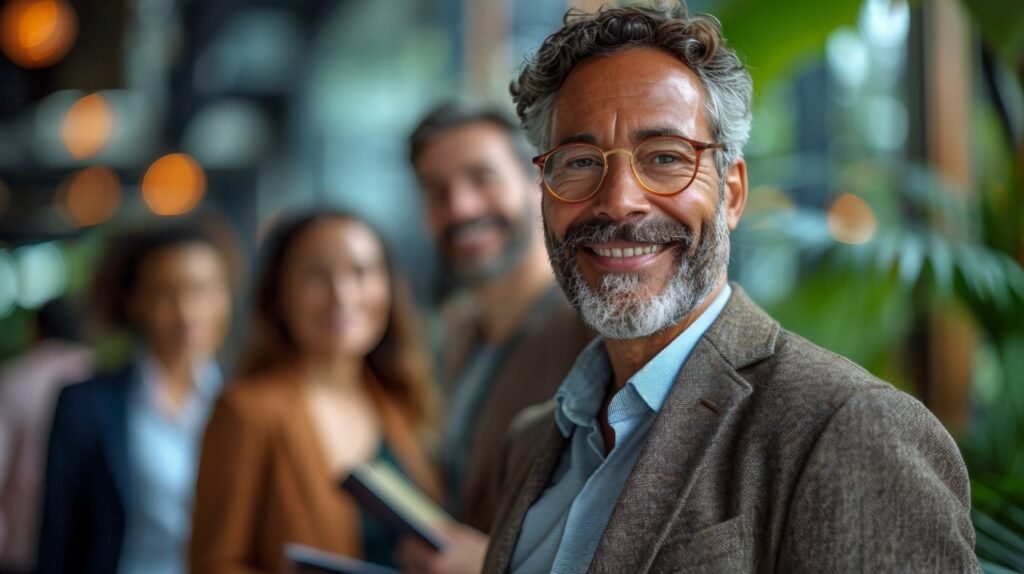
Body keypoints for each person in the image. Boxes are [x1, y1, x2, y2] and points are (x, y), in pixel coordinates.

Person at [483, 3, 981, 573]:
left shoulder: (849, 429)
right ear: (544, 194)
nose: (619, 199)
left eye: (666, 157)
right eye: (577, 162)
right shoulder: (531, 444)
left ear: (733, 193)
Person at [397, 101, 593, 573]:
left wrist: (491, 564)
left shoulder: (591, 328)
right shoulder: (456, 330)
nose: (460, 207)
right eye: (437, 192)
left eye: (481, 178)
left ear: (536, 182)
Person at [189, 210, 441, 574]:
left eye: (360, 272)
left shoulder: (400, 405)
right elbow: (213, 565)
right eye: (315, 275)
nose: (342, 294)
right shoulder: (246, 411)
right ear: (279, 294)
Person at [36, 219, 236, 574]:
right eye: (165, 292)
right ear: (133, 300)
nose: (186, 312)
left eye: (202, 290)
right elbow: (58, 537)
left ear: (226, 298)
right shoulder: (85, 405)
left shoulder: (247, 402)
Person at [0, 298, 95, 573]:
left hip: (23, 545)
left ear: (36, 330)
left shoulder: (16, 379)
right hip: (89, 546)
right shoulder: (101, 381)